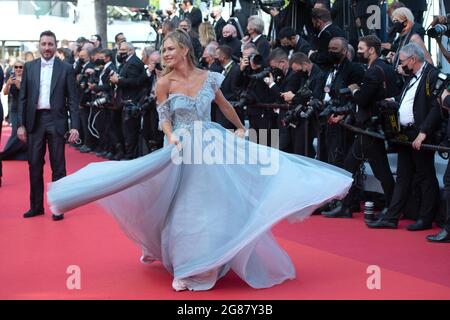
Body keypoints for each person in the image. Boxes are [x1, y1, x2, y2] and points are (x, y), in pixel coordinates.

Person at [47, 29, 352, 291]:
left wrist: (242, 127)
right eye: (163, 49)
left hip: (210, 142)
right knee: (169, 197)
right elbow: (163, 119)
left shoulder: (209, 77)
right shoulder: (164, 83)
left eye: (169, 48)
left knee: (206, 201)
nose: (164, 53)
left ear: (183, 50)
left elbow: (225, 106)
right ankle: (175, 255)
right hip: (180, 145)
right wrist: (173, 135)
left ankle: (201, 263)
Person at [17, 30, 80, 221]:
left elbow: (73, 100)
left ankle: (58, 207)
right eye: (43, 44)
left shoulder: (66, 68)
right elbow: (23, 98)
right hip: (34, 121)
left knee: (58, 166)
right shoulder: (29, 67)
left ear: (55, 46)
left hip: (56, 121)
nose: (46, 48)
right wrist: (20, 125)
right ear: (39, 45)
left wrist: (75, 126)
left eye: (50, 44)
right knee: (34, 164)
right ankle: (36, 206)